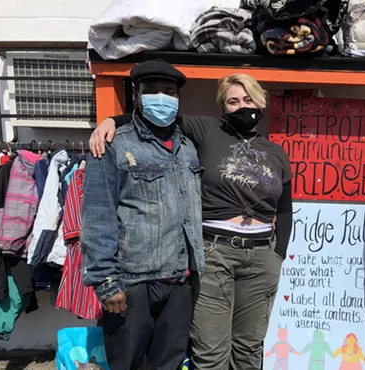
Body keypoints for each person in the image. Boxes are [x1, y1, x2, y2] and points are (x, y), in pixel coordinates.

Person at [89, 73, 293, 370]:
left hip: (262, 258)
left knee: (249, 348)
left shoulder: (277, 152)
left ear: (261, 101)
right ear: (223, 107)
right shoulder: (207, 129)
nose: (241, 106)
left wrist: (279, 253)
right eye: (233, 101)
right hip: (215, 254)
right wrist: (111, 120)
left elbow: (285, 210)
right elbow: (153, 118)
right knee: (211, 350)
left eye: (248, 99)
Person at [81, 59, 204, 370]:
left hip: (178, 282)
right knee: (128, 363)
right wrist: (106, 281)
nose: (161, 97)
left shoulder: (188, 147)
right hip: (131, 283)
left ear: (178, 98)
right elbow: (98, 214)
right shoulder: (113, 144)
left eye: (169, 91)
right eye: (151, 90)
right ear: (136, 95)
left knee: (169, 363)